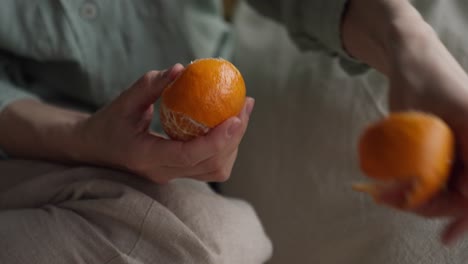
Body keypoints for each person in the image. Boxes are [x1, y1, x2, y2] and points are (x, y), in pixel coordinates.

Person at [1, 0, 468, 263]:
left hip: (202, 115)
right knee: (214, 240)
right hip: (31, 142)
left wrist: (414, 51)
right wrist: (84, 137)